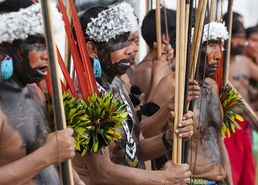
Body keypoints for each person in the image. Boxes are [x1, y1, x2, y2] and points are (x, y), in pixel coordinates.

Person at [71, 3, 193, 185]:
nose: (132, 49)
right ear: (92, 49)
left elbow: (135, 149)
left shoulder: (118, 85)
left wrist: (168, 137)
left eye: (129, 40)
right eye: (119, 41)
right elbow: (103, 173)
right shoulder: (85, 98)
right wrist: (165, 178)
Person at [0, 0, 82, 184]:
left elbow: (52, 159)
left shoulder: (34, 92)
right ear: (4, 47)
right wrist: (46, 156)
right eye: (38, 44)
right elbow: (48, 155)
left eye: (48, 44)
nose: (48, 54)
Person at [150, 20, 233, 184]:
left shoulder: (212, 86)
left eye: (219, 46)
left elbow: (218, 141)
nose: (218, 55)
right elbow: (145, 133)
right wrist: (170, 106)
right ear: (191, 48)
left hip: (219, 180)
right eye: (211, 46)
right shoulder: (171, 84)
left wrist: (230, 181)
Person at [223, 18, 256, 185]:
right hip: (229, 127)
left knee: (247, 176)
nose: (240, 42)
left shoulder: (245, 62)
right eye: (236, 37)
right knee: (232, 175)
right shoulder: (220, 64)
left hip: (246, 125)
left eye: (243, 37)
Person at [130, 8, 176, 102]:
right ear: (166, 38)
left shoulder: (153, 67)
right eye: (178, 35)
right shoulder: (147, 71)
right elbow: (151, 110)